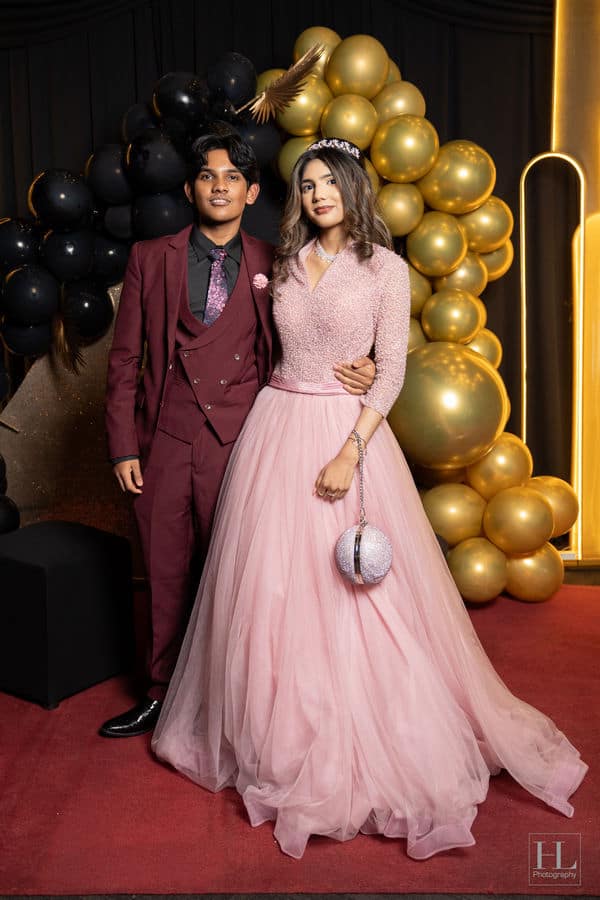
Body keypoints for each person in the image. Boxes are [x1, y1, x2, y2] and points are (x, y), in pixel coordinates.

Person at [151, 138, 588, 860]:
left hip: (347, 438)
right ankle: (278, 733)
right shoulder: (283, 263)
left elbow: (390, 374)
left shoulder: (385, 267)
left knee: (358, 591)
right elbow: (260, 348)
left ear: (353, 187)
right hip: (276, 426)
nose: (318, 194)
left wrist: (350, 450)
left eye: (330, 181)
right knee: (273, 589)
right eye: (308, 184)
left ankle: (374, 727)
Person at [101, 133, 376, 738]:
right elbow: (123, 360)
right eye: (207, 175)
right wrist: (123, 445)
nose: (219, 186)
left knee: (238, 578)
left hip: (244, 441)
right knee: (163, 569)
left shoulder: (277, 260)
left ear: (252, 193)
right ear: (190, 188)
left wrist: (367, 367)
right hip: (164, 438)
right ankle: (160, 693)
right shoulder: (150, 257)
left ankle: (227, 702)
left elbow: (315, 335)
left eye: (233, 177)